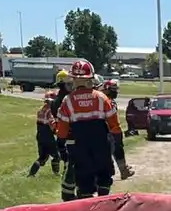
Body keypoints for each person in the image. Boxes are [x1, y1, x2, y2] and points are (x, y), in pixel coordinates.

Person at [52, 59, 132, 201]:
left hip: (80, 150)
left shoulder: (68, 101)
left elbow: (62, 130)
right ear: (91, 77)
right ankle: (102, 205)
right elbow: (115, 127)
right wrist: (119, 149)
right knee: (104, 182)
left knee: (84, 187)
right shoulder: (102, 98)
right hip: (102, 148)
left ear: (74, 79)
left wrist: (62, 149)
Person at [28, 93, 60, 177]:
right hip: (47, 136)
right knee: (56, 155)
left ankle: (31, 174)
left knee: (42, 157)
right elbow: (52, 125)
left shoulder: (40, 110)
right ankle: (56, 173)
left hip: (40, 135)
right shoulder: (49, 111)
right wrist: (57, 131)